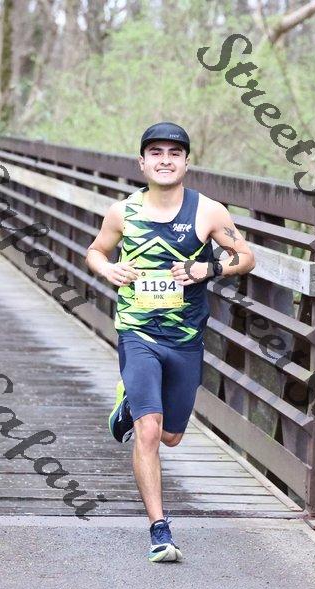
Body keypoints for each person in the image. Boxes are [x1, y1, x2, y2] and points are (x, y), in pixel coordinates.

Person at [85, 122, 255, 563]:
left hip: (185, 338)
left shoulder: (208, 212)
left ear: (186, 162)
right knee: (150, 429)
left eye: (174, 153)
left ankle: (128, 405)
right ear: (142, 162)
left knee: (172, 436)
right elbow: (96, 251)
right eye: (156, 153)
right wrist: (109, 269)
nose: (165, 160)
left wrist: (208, 269)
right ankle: (159, 530)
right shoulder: (122, 212)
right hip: (138, 331)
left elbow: (246, 257)